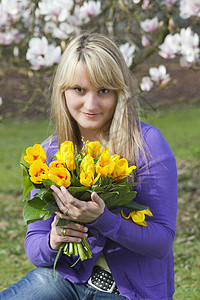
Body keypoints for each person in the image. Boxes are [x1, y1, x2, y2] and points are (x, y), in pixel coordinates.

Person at [0, 33, 177, 300]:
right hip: (65, 282)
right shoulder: (50, 152)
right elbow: (34, 246)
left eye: (104, 90)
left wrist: (103, 220)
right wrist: (53, 240)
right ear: (63, 91)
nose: (91, 105)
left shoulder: (147, 144)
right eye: (79, 90)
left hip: (129, 294)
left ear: (120, 92)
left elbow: (161, 242)